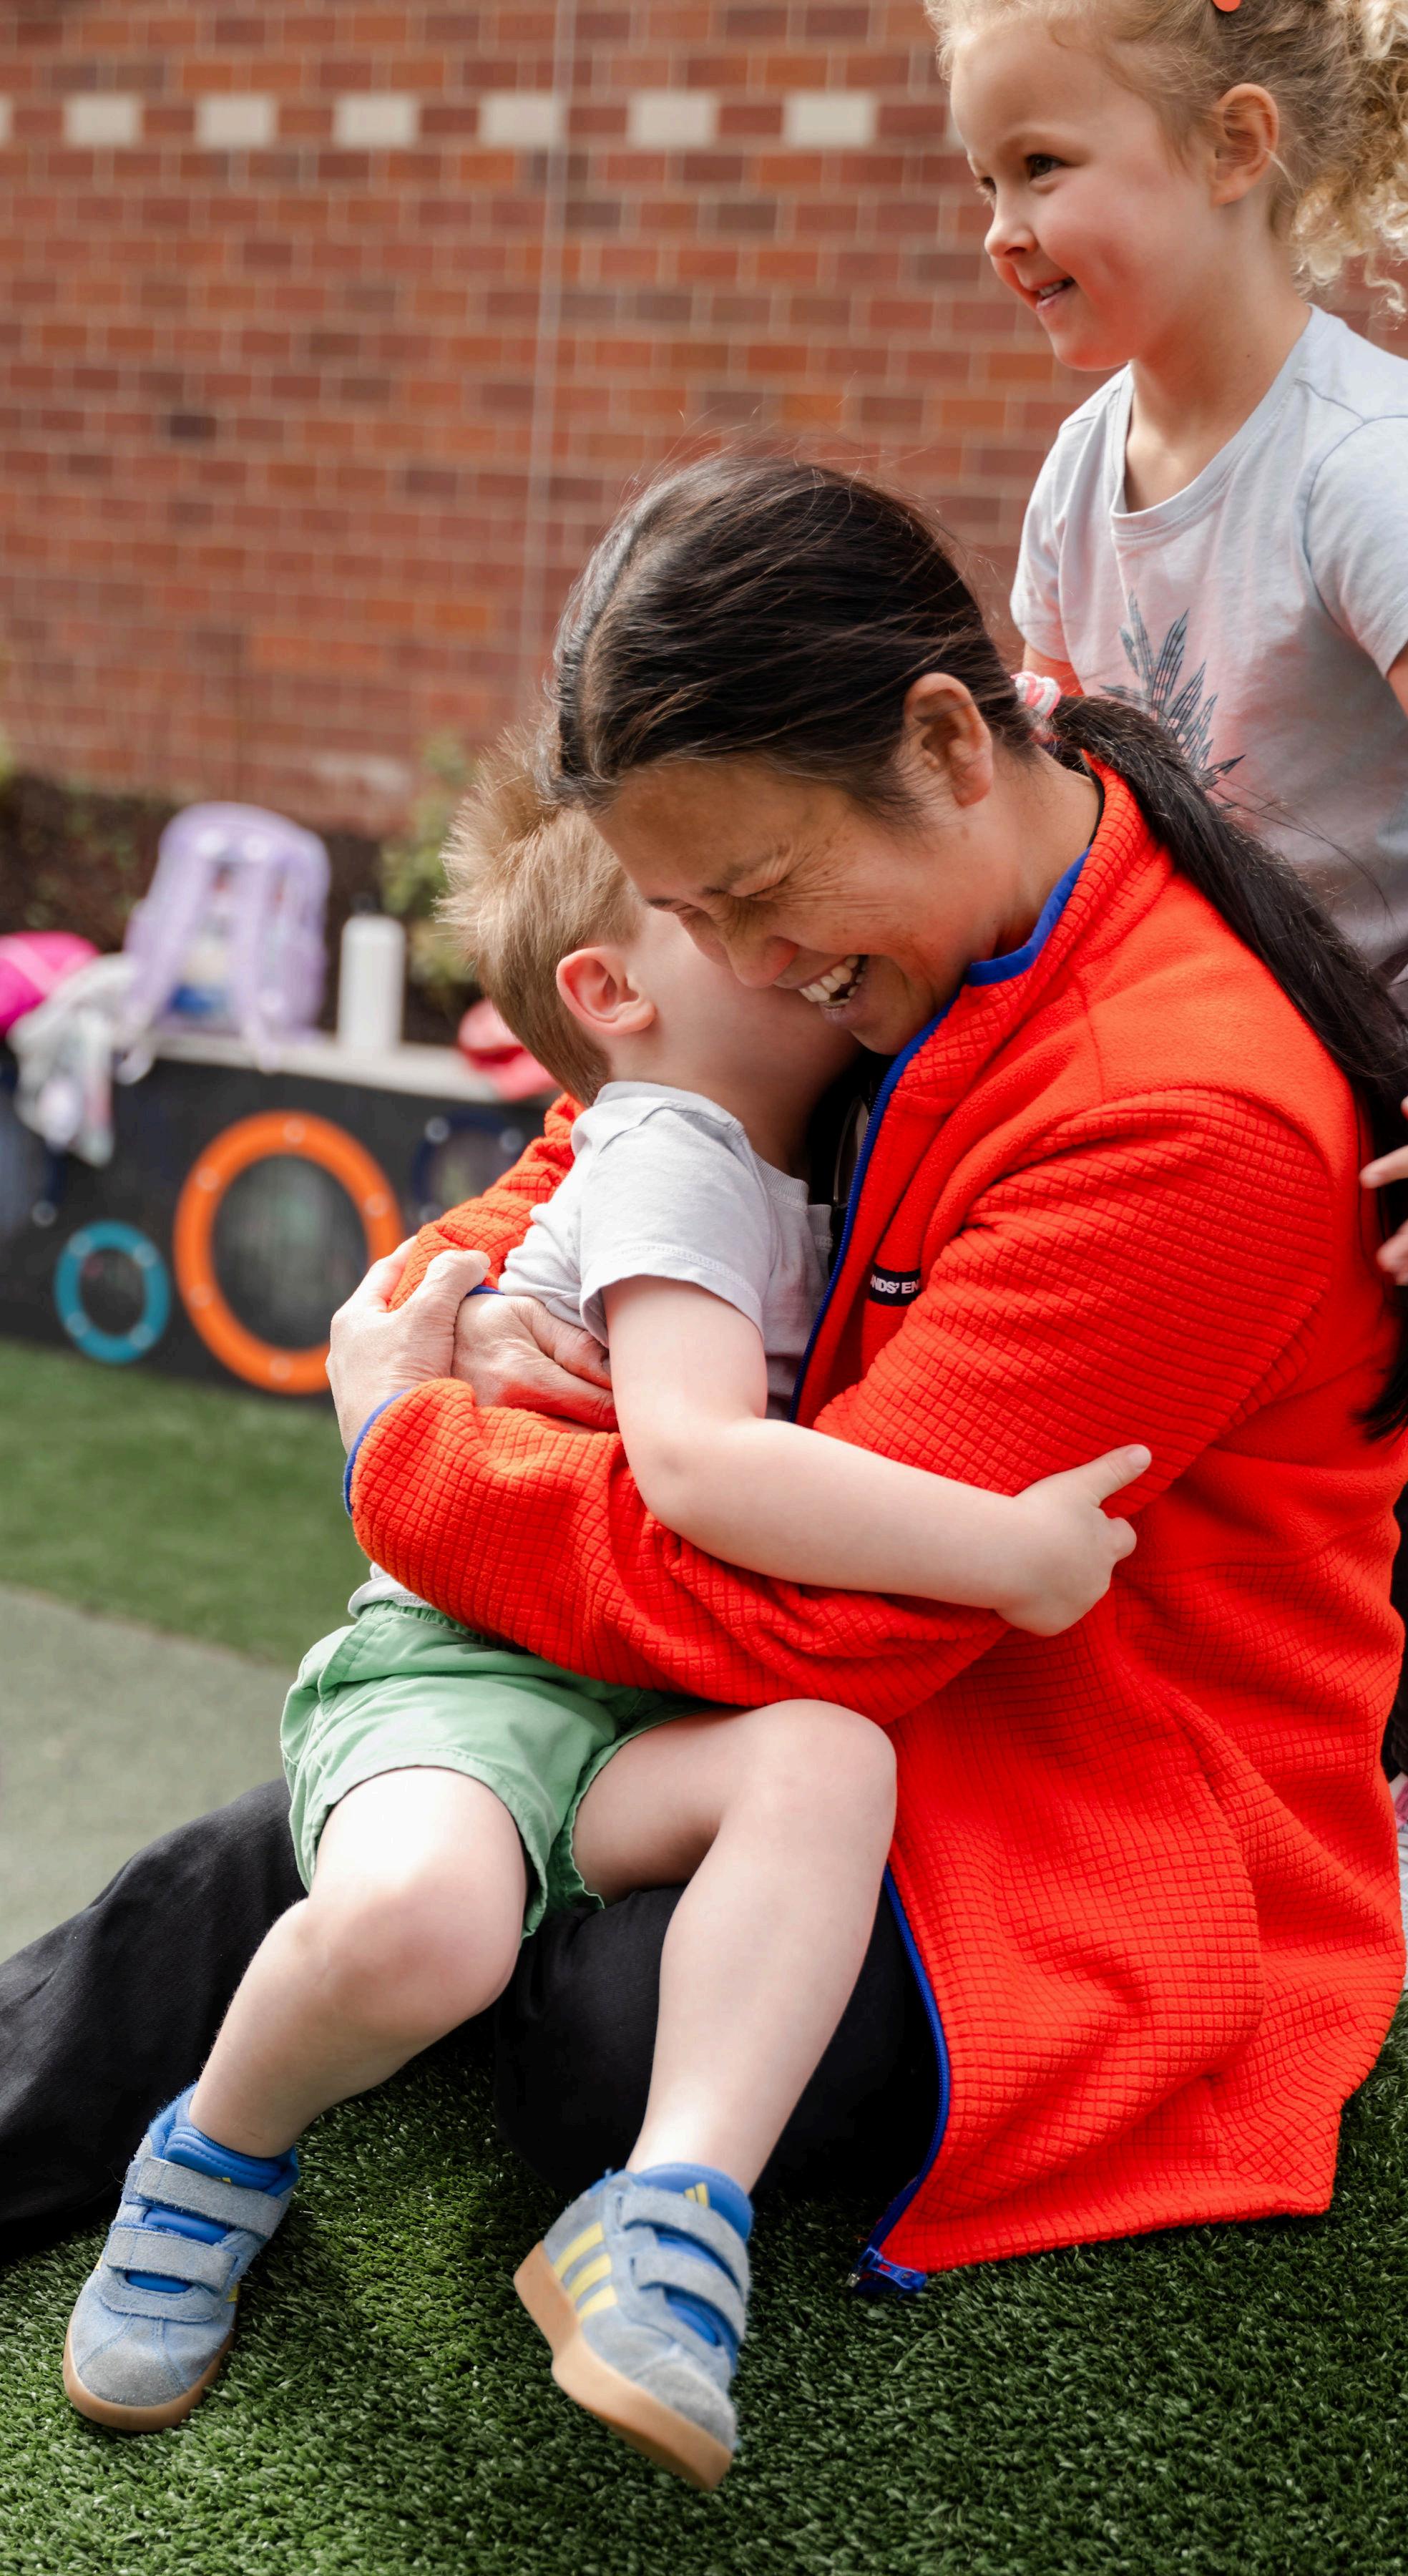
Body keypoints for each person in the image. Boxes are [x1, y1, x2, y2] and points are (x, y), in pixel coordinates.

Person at [7, 454, 1408, 2455]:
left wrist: (410, 1449)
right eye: (696, 919)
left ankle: (516, 2131)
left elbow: (825, 1625)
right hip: (807, 1688)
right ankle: (180, 2116)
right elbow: (610, 1131)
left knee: (592, 2027)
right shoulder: (902, 909)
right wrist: (458, 1306)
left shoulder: (1177, 1119)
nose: (749, 971)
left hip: (1064, 1790)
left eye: (759, 901)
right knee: (369, 1845)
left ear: (944, 744)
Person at [59, 742, 1141, 2486]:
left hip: (633, 1702)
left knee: (826, 1759)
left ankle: (671, 2211)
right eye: (725, 906)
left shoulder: (793, 1151)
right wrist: (1005, 1551)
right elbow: (701, 1467)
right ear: (611, 993)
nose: (789, 934)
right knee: (428, 1933)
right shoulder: (676, 1153)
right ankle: (212, 2156)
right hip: (471, 1680)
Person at [934, 0, 1408, 1984]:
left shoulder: (1374, 463)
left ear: (1236, 146)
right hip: (1328, 1032)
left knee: (1364, 1408)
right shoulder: (1086, 468)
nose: (1000, 225)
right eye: (982, 177)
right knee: (1256, 1397)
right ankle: (1270, 1771)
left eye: (1043, 167)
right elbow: (1086, 768)